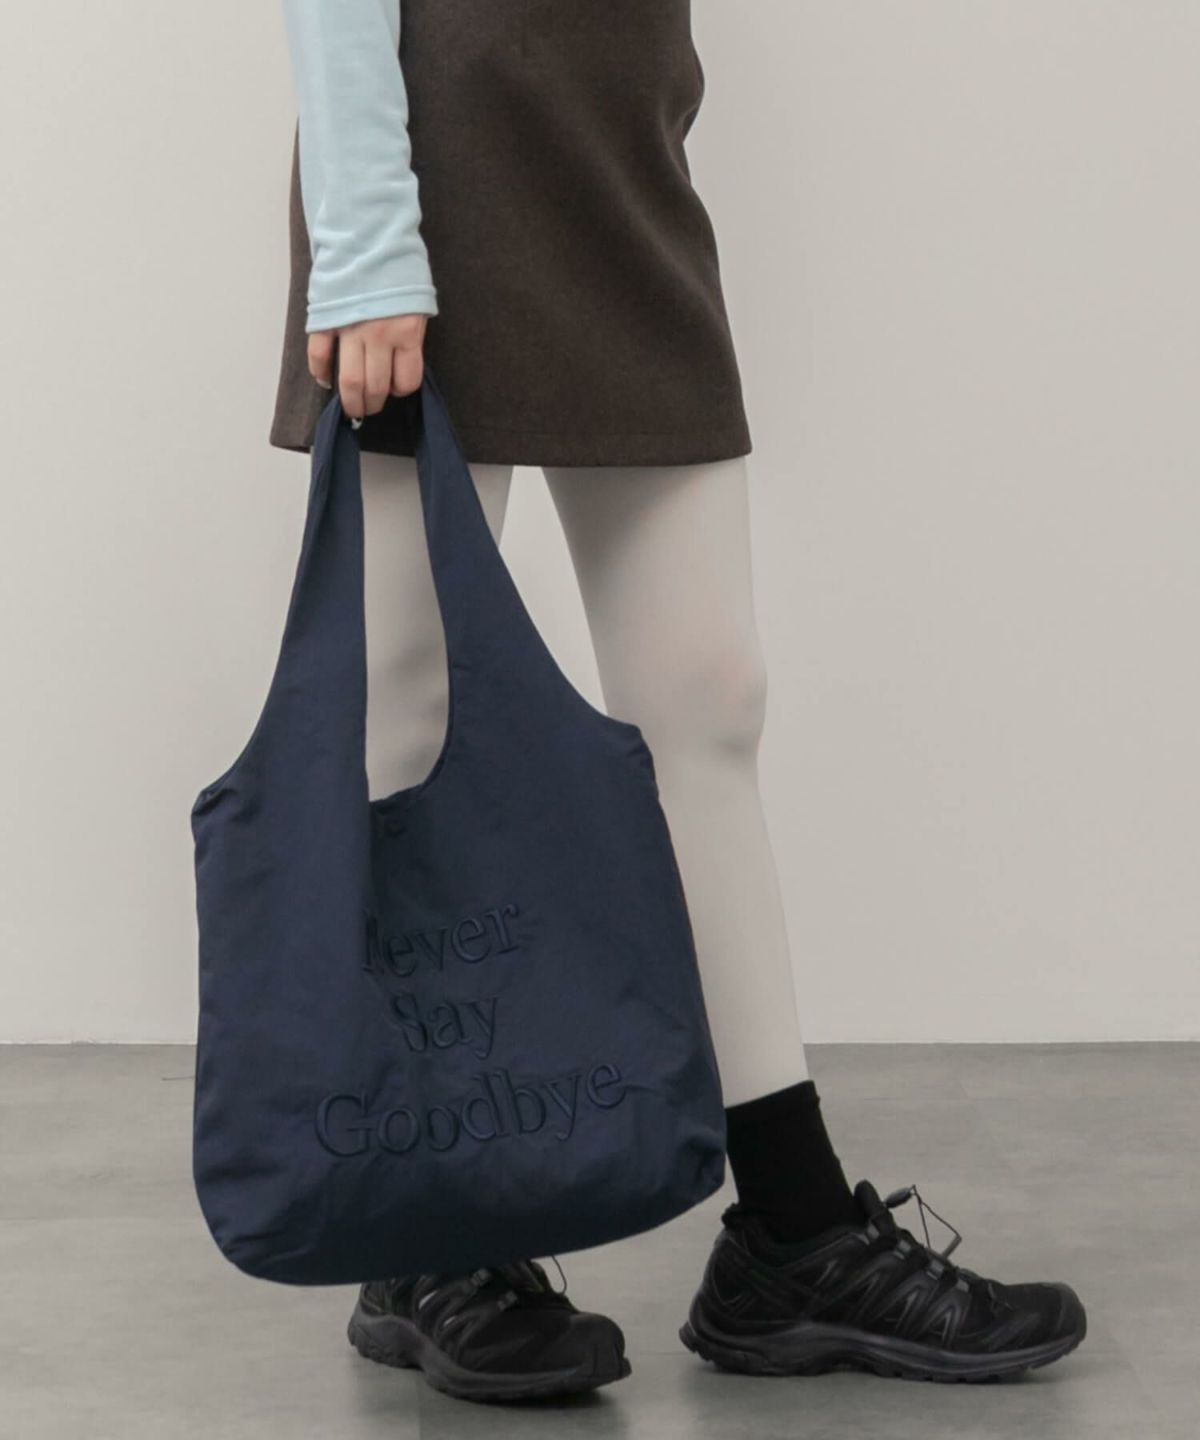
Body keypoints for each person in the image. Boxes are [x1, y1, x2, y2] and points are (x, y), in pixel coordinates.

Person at [268, 1, 1087, 1405]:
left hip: (619, 141)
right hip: (432, 151)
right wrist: (361, 240)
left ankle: (794, 1231)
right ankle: (422, 1231)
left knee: (705, 691)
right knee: (407, 706)